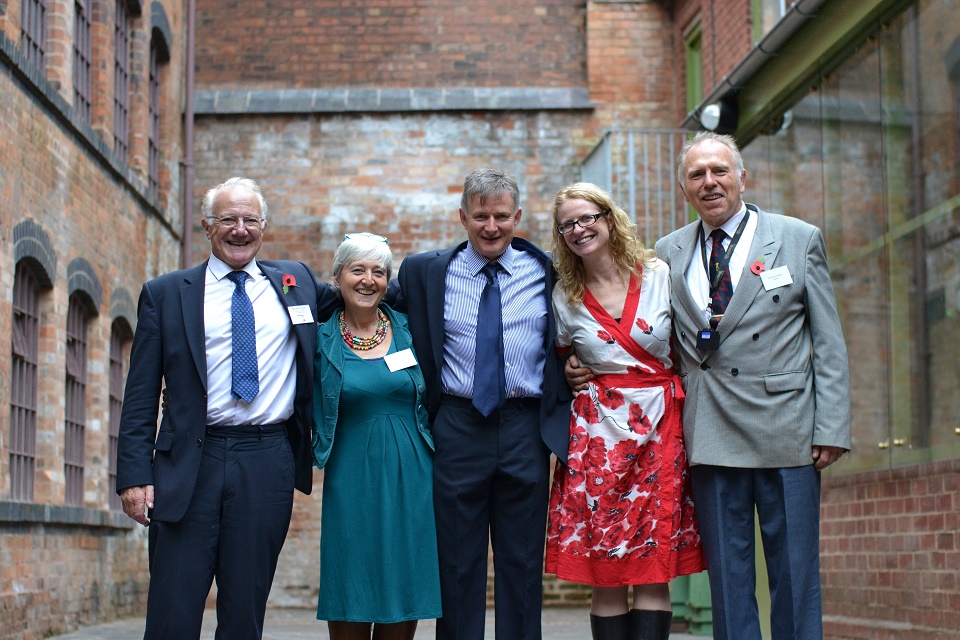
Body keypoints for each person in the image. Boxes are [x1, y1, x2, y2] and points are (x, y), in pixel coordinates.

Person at [572, 132, 851, 639]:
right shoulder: (667, 252)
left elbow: (828, 340)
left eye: (719, 170)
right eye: (697, 175)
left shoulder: (796, 237)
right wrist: (581, 363)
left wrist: (831, 425)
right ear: (684, 189)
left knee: (795, 574)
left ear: (743, 177)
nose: (710, 182)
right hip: (709, 432)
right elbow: (648, 335)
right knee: (728, 578)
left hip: (786, 430)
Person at [116, 177, 338, 639]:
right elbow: (140, 393)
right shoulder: (166, 294)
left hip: (266, 461)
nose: (240, 230)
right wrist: (135, 476)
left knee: (244, 613)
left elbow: (364, 294)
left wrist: (417, 284)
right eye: (228, 220)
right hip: (188, 465)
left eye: (250, 220)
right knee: (173, 613)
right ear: (206, 226)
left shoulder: (295, 283)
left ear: (263, 226)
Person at [394, 168, 570, 640]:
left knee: (523, 562)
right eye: (479, 217)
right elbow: (368, 303)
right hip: (456, 426)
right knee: (455, 562)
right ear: (462, 218)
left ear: (517, 216)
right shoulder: (426, 273)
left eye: (500, 216)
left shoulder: (551, 272)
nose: (490, 227)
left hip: (525, 429)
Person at [544, 183, 705, 640]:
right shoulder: (564, 296)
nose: (578, 229)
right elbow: (557, 363)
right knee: (606, 570)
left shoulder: (659, 273)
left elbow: (690, 345)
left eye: (586, 218)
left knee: (653, 568)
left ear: (608, 218)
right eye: (567, 225)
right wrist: (572, 372)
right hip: (599, 440)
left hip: (662, 430)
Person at [312, 232, 442, 639]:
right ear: (337, 278)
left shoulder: (412, 330)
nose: (368, 280)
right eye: (357, 270)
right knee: (351, 579)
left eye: (379, 272)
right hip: (351, 479)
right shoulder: (318, 340)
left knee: (405, 582)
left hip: (414, 477)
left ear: (388, 281)